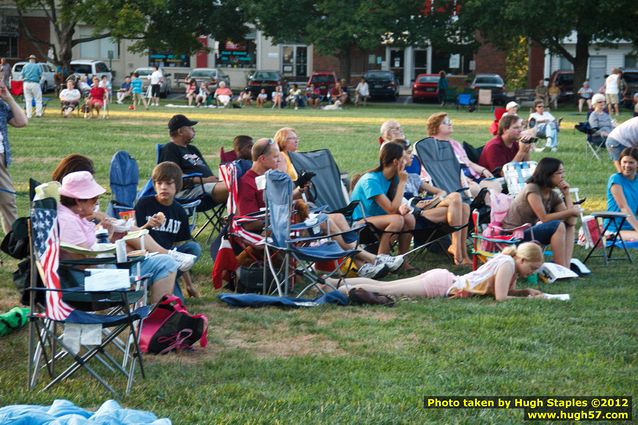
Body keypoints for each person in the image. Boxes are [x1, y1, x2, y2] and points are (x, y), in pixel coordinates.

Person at [325, 243, 546, 302]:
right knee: (385, 288)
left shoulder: (507, 260)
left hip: (444, 278)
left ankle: (333, 282)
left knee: (386, 287)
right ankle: (341, 289)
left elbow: (502, 292)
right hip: (442, 285)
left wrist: (524, 291)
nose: (531, 272)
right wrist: (534, 299)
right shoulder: (508, 264)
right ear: (523, 259)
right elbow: (500, 297)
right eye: (532, 268)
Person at [135, 162, 202, 298]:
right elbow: (132, 236)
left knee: (193, 248)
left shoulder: (179, 212)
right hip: (148, 259)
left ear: (177, 186)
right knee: (171, 303)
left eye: (168, 183)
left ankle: (164, 280)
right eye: (159, 183)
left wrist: (188, 285)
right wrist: (147, 225)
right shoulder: (144, 204)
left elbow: (182, 257)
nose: (163, 187)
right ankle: (157, 282)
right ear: (154, 185)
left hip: (170, 260)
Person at [502, 157, 579, 268]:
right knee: (558, 225)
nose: (563, 176)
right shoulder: (532, 189)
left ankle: (565, 267)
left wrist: (567, 195)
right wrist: (571, 211)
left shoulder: (553, 195)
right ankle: (560, 267)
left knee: (569, 226)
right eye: (559, 173)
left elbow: (571, 221)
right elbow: (544, 218)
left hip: (530, 232)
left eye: (563, 173)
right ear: (548, 174)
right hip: (515, 235)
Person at [350, 142, 416, 259]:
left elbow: (395, 204)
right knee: (397, 220)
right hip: (359, 224)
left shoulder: (393, 178)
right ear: (395, 162)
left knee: (409, 218)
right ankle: (380, 261)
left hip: (380, 219)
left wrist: (402, 207)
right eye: (403, 159)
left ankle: (402, 260)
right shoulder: (371, 180)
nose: (406, 162)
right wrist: (402, 183)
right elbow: (391, 209)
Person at [426, 112, 501, 197]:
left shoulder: (454, 144)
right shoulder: (432, 147)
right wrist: (462, 178)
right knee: (475, 189)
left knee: (496, 185)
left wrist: (483, 170)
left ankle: (490, 209)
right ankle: (480, 208)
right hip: (453, 180)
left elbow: (469, 163)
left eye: (449, 121)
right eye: (445, 122)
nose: (450, 124)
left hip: (471, 176)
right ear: (435, 127)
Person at [159, 114, 228, 205]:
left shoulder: (192, 149)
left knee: (240, 185)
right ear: (180, 131)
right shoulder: (170, 149)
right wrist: (205, 180)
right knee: (235, 188)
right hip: (188, 191)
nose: (193, 130)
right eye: (190, 127)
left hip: (206, 187)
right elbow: (172, 176)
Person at [0, 78, 28, 233]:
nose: (1, 81)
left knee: (8, 201)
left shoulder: (2, 105)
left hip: (1, 158)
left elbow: (22, 121)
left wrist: (8, 98)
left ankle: (13, 246)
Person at [606, 148, 638, 241]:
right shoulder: (615, 179)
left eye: (631, 162)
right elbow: (623, 207)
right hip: (615, 228)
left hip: (632, 225)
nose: (627, 165)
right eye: (624, 162)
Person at [22, 54, 43, 118]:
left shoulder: (25, 66)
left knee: (28, 100)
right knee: (38, 99)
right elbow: (40, 75)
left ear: (29, 59)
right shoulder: (37, 66)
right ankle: (38, 114)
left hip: (26, 83)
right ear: (35, 60)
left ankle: (29, 115)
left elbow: (22, 75)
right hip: (35, 83)